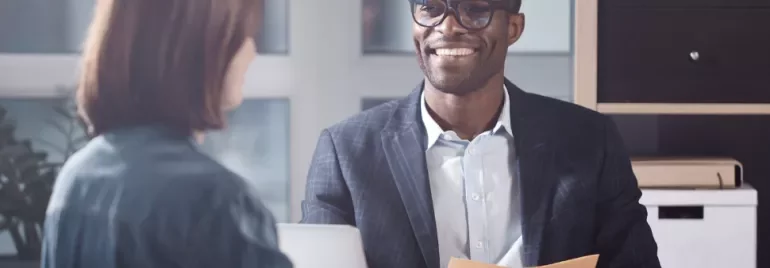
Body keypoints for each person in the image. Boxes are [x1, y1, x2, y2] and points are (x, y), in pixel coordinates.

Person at [301, 0, 660, 267]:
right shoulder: (346, 153)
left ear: (514, 28)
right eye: (430, 7)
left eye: (475, 9)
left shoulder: (590, 140)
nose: (449, 26)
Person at [41, 0, 293, 267]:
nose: (252, 52)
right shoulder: (214, 203)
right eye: (243, 35)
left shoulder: (76, 180)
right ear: (200, 45)